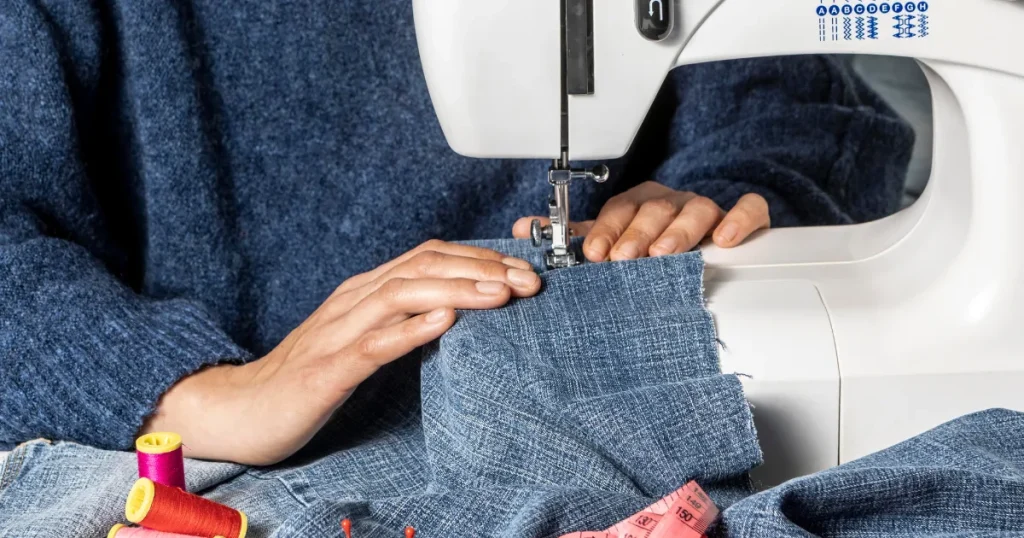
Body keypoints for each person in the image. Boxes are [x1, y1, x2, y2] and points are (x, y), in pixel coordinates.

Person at [0, 2, 913, 466]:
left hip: (601, 421)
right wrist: (198, 399)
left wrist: (719, 194)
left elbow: (792, 105)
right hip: (224, 456)